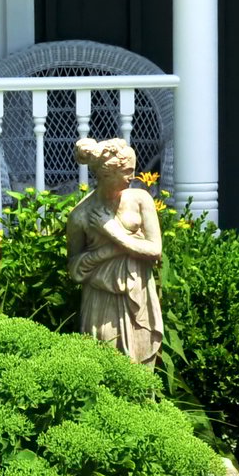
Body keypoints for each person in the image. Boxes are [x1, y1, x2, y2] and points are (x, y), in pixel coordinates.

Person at [64, 136, 164, 367]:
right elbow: (75, 269)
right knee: (107, 368)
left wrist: (113, 231)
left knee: (142, 370)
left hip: (138, 292)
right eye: (128, 171)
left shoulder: (141, 200)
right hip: (101, 301)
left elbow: (155, 250)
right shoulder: (80, 216)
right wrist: (117, 248)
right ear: (108, 173)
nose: (133, 177)